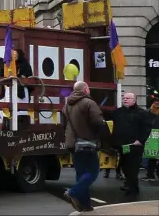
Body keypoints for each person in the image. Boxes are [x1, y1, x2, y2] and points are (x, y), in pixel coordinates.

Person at [62, 81, 108, 212]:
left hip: (72, 143)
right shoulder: (89, 102)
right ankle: (73, 192)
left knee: (81, 173)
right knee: (93, 172)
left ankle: (85, 204)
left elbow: (64, 124)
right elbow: (98, 121)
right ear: (86, 89)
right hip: (87, 142)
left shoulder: (67, 105)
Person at [110, 93, 152, 196]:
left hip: (135, 145)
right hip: (122, 145)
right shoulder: (117, 112)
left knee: (133, 167)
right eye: (124, 98)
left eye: (128, 98)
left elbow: (147, 129)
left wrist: (141, 140)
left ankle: (132, 189)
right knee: (125, 167)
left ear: (134, 100)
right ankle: (131, 185)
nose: (125, 99)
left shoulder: (142, 113)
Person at [141, 99, 159, 182]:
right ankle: (150, 175)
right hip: (151, 136)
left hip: (154, 135)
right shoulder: (148, 112)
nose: (157, 103)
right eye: (155, 101)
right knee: (152, 156)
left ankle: (152, 175)